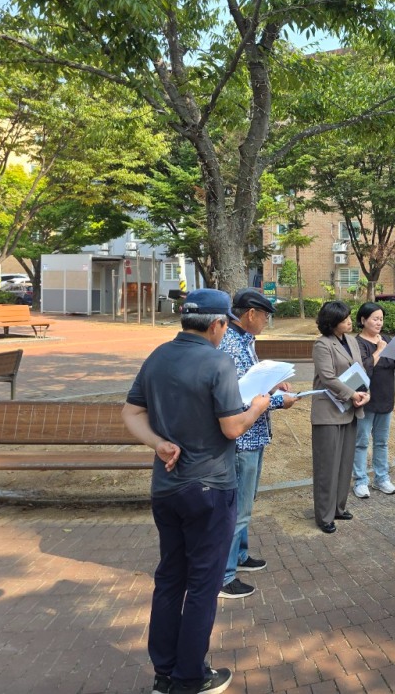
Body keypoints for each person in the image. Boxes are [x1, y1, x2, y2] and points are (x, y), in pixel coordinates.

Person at [121, 289, 271, 694]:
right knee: (203, 584)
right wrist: (258, 406)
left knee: (170, 577)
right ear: (219, 324)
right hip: (210, 487)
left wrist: (158, 443)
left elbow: (131, 412)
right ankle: (190, 677)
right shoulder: (217, 361)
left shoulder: (157, 356)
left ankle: (164, 672)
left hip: (167, 487)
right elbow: (232, 428)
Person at [217, 289, 299, 600]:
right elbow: (238, 398)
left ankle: (239, 555)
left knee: (246, 500)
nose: (267, 321)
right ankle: (224, 575)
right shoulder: (231, 345)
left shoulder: (243, 341)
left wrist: (273, 386)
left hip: (253, 433)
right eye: (265, 315)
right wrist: (279, 401)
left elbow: (251, 384)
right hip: (243, 437)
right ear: (251, 314)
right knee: (239, 507)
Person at [311, 301, 370, 534]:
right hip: (328, 411)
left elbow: (359, 371)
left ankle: (338, 507)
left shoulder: (352, 341)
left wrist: (364, 393)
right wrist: (352, 394)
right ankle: (324, 515)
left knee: (345, 463)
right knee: (327, 466)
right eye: (344, 319)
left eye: (349, 317)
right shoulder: (322, 344)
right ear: (332, 322)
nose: (349, 321)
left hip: (350, 409)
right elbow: (328, 377)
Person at [353, 302, 395, 499]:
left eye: (381, 319)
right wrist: (379, 349)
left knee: (381, 442)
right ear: (363, 320)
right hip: (365, 399)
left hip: (386, 397)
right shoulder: (357, 343)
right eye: (375, 319)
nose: (379, 323)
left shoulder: (387, 339)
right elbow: (363, 369)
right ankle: (360, 481)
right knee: (361, 442)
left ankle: (381, 478)